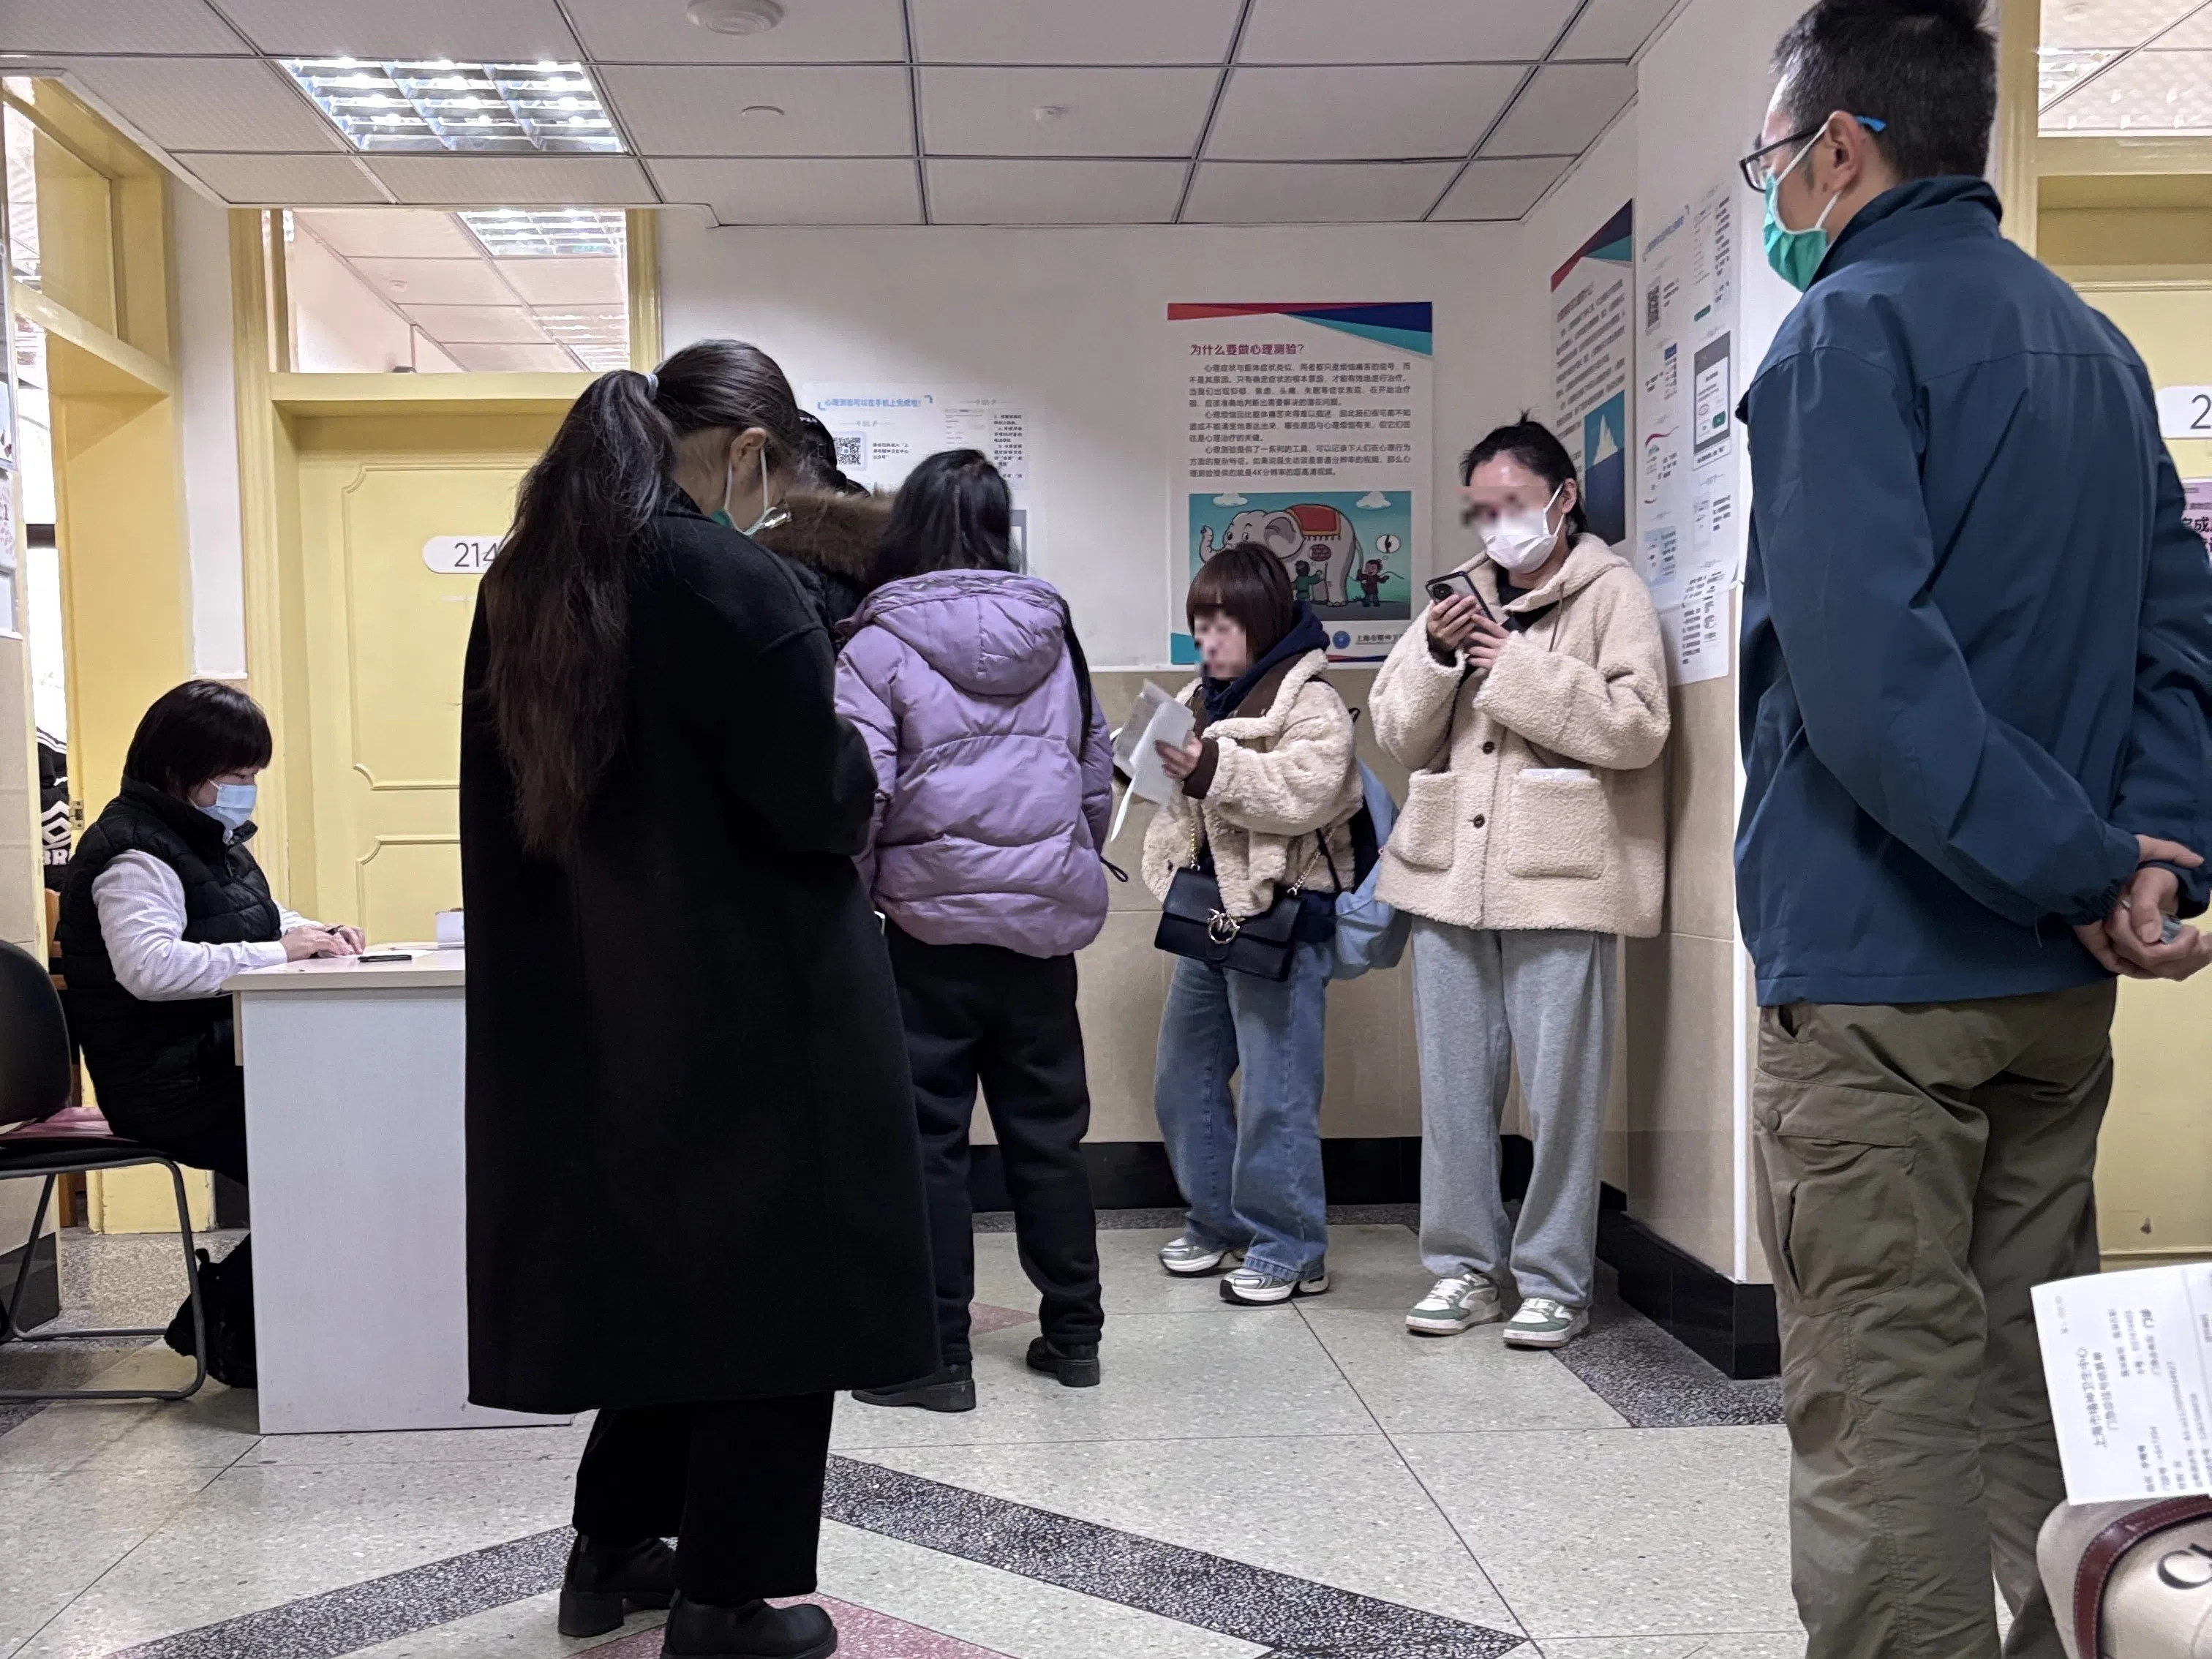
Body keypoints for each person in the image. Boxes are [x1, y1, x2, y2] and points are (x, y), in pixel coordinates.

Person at [1736, 2, 2212, 1653]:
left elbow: (1877, 697)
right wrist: (2148, 858)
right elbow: (2178, 641)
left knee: (1885, 1409)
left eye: (1778, 161)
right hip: (2053, 993)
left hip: (1878, 981)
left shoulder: (1840, 341)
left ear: (1843, 146)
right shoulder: (2097, 349)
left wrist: (2087, 863)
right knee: (2036, 1388)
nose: (1779, 193)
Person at [461, 340, 938, 1659]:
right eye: (773, 478)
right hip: (759, 1006)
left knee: (661, 1286)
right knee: (783, 1298)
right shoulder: (731, 580)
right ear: (746, 453)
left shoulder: (530, 582)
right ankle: (730, 1598)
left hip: (602, 1008)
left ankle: (612, 1545)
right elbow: (820, 798)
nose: (772, 506)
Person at [1370, 418, 1669, 1351]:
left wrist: (1514, 666)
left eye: (1511, 504)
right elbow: (1394, 730)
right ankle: (1462, 1270)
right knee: (1454, 1093)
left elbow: (1637, 728)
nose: (1496, 524)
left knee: (1562, 1094)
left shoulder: (1612, 594)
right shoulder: (1456, 599)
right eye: (1484, 508)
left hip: (1562, 878)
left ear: (1561, 498)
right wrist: (1438, 657)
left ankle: (1553, 1281)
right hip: (1449, 880)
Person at [834, 449, 1113, 1413]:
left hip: (925, 935)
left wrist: (866, 897)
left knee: (929, 1146)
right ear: (1000, 529)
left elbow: (858, 790)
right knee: (1050, 1140)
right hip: (1040, 936)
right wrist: (1053, 866)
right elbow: (1092, 774)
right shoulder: (1056, 629)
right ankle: (1075, 1338)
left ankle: (940, 1360)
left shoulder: (874, 643)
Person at [56, 680, 364, 1385]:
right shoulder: (133, 855)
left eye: (252, 777)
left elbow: (255, 917)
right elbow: (151, 968)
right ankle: (225, 1316)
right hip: (167, 1085)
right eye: (235, 777)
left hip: (206, 1067)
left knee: (340, 1146)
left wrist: (315, 933)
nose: (246, 791)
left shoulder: (204, 840)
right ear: (179, 769)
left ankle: (250, 1316)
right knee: (331, 1157)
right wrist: (281, 953)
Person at [1143, 543, 1363, 1306]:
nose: (1209, 639)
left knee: (1278, 1089)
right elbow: (1184, 800)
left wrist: (1210, 770)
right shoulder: (1202, 696)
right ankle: (1217, 1221)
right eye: (1199, 622)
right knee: (1184, 1074)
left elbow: (1304, 793)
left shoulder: (1312, 702)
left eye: (1223, 622)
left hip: (1280, 920)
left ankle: (1292, 1245)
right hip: (1207, 914)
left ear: (1262, 620)